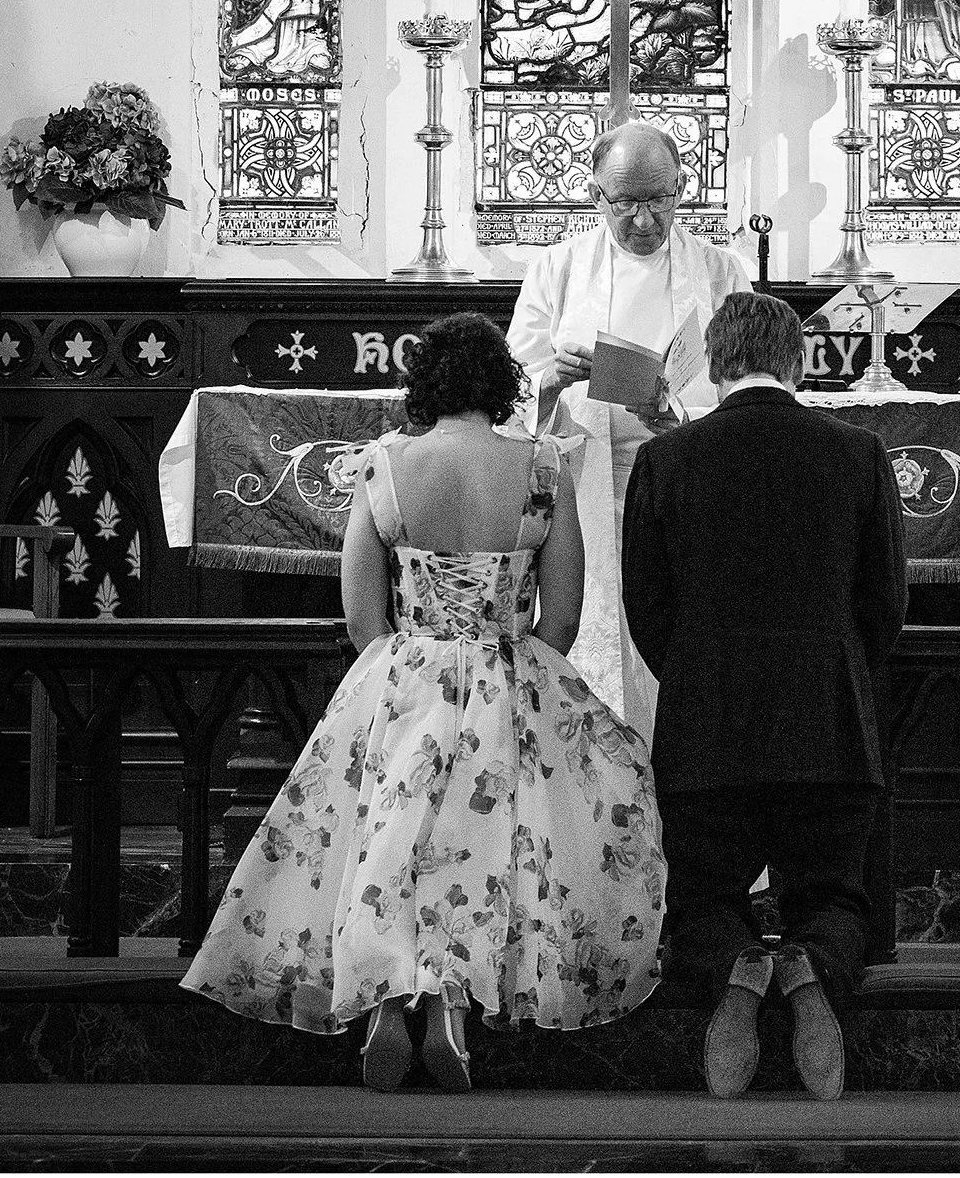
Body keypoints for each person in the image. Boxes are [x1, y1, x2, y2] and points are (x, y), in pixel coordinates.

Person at [181, 312, 664, 1089]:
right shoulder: (544, 466)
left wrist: (403, 664)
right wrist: (514, 667)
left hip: (406, 673)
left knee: (390, 836)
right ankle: (452, 1007)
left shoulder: (386, 462)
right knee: (483, 842)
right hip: (510, 667)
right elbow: (567, 614)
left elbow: (360, 612)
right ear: (501, 383)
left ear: (424, 383)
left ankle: (381, 1001)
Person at [621, 292, 907, 1101]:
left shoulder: (667, 460)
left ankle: (741, 965)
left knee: (702, 902)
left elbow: (646, 604)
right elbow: (884, 602)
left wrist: (695, 675)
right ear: (800, 360)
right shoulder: (857, 453)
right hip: (827, 722)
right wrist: (838, 665)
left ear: (714, 366)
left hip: (707, 726)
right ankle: (810, 967)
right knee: (838, 897)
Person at [505, 119, 745, 742]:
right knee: (592, 641)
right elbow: (507, 394)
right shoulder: (557, 268)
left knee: (673, 646)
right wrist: (549, 383)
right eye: (626, 203)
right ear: (595, 196)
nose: (643, 220)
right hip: (583, 488)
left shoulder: (721, 272)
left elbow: (750, 385)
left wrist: (684, 420)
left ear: (683, 187)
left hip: (691, 485)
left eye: (659, 199)